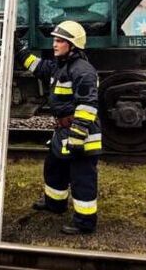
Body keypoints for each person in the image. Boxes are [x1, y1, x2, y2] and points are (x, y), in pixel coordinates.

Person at [19, 20, 100, 233]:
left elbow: (87, 105)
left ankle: (85, 223)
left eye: (59, 41)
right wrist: (20, 50)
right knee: (54, 167)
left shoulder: (83, 71)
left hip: (80, 133)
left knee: (82, 177)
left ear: (72, 45)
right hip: (64, 131)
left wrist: (77, 135)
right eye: (54, 40)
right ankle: (55, 204)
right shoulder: (60, 65)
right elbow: (37, 66)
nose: (54, 44)